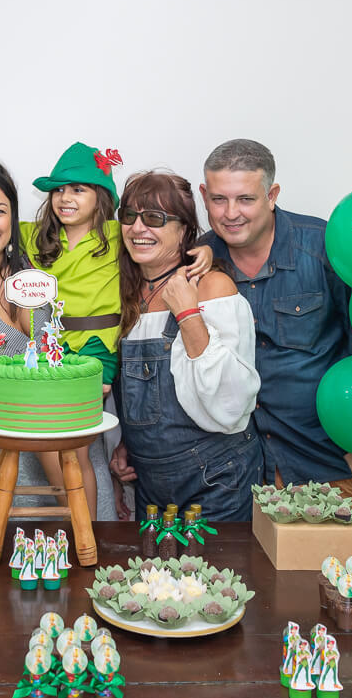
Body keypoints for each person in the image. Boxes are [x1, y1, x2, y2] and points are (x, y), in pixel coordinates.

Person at [0, 142, 212, 519]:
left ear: (101, 198)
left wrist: (206, 250)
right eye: (59, 190)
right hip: (56, 347)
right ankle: (81, 520)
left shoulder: (120, 235)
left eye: (78, 189)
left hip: (98, 348)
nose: (65, 198)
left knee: (74, 443)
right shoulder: (32, 237)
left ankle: (86, 525)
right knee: (60, 434)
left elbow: (165, 241)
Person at [0, 158, 116, 521]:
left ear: (13, 217)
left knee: (88, 564)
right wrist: (45, 407)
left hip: (73, 461)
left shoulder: (42, 272)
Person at [197, 138, 352, 513]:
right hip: (233, 473)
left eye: (245, 199)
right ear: (203, 195)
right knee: (241, 573)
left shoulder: (325, 247)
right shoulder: (199, 261)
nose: (230, 213)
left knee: (333, 572)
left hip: (323, 463)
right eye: (218, 199)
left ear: (271, 194)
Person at [108, 171, 263, 521]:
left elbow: (233, 401)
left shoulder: (213, 286)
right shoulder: (125, 295)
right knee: (154, 578)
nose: (138, 228)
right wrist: (126, 443)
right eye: (129, 217)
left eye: (155, 219)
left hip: (216, 480)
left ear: (185, 230)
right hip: (150, 486)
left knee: (222, 578)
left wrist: (188, 313)